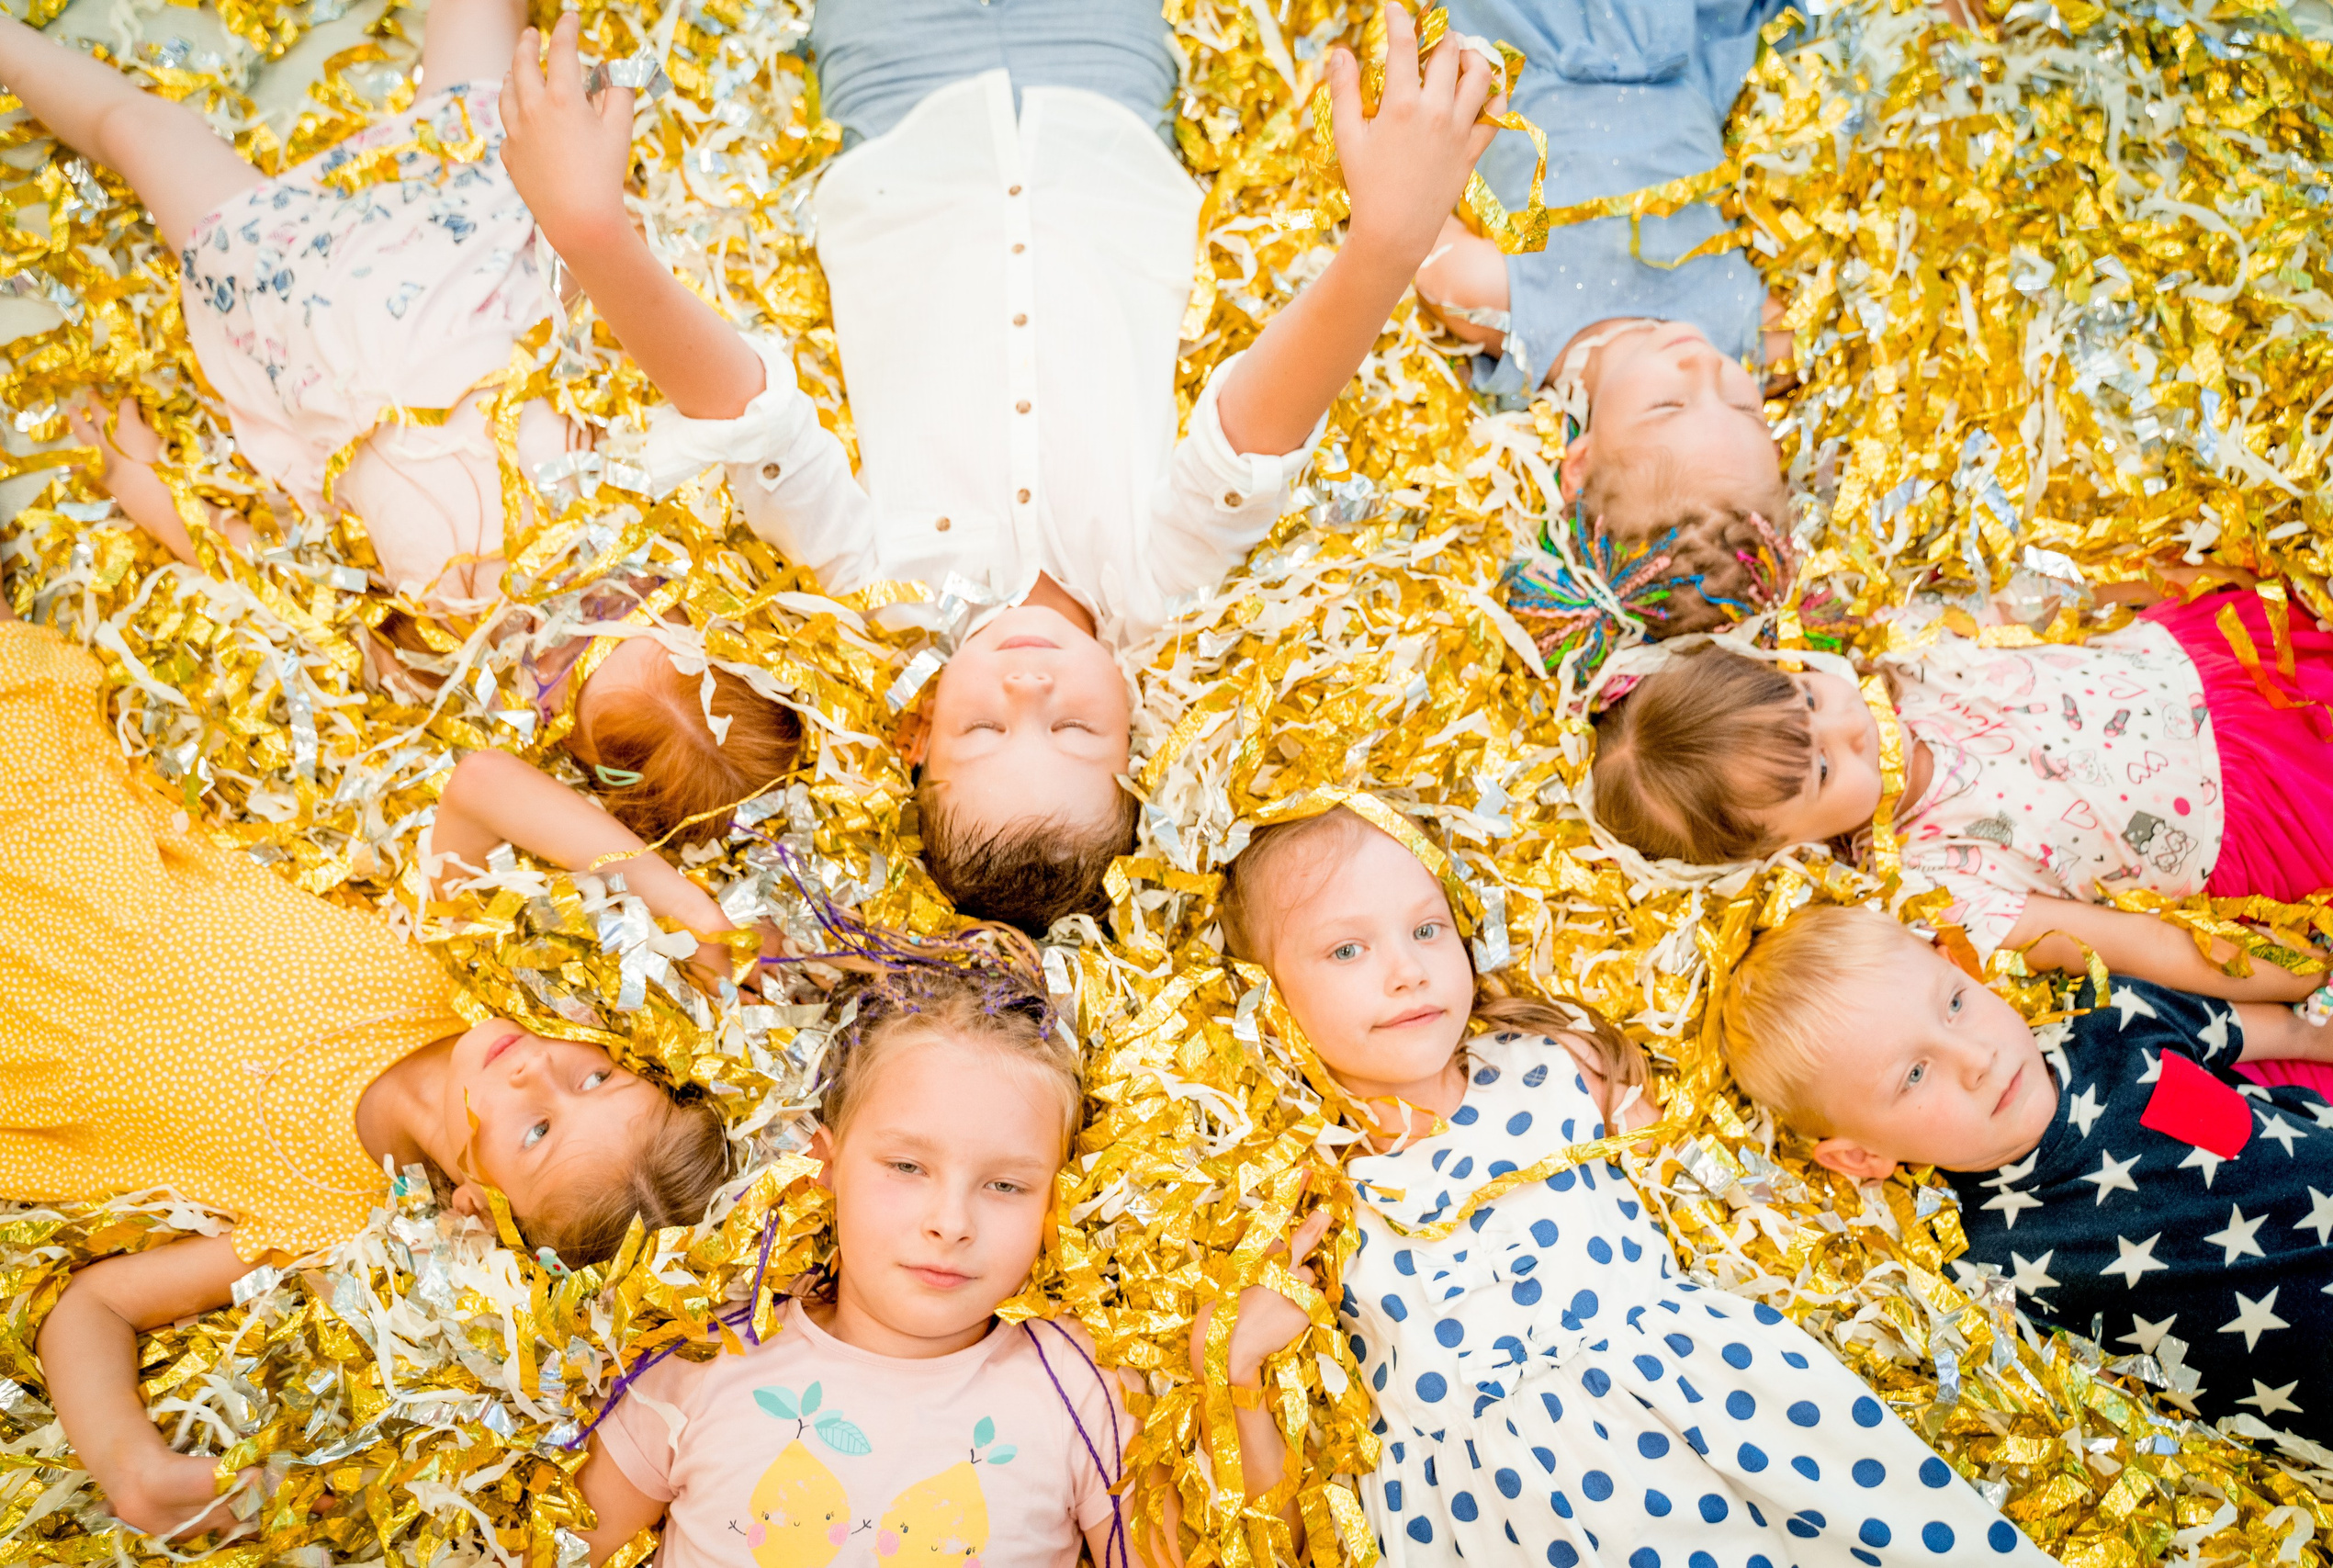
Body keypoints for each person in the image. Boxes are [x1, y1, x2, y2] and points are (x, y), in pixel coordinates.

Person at [496, 0, 1504, 934]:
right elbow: (1250, 441)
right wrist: (1381, 247)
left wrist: (593, 235)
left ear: (919, 737)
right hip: (1101, 97)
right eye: (1071, 731)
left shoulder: (876, 587)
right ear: (1137, 744)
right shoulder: (1157, 587)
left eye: (985, 731)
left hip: (896, 103)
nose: (1028, 686)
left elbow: (753, 419)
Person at [0, 610, 733, 1542]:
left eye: (536, 1133)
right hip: (63, 828)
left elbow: (94, 1306)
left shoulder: (325, 1218)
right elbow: (478, 786)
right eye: (594, 1082)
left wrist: (127, 1462)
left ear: (477, 1206)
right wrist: (682, 901)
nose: (537, 1074)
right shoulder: (440, 975)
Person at [1, 0, 802, 846]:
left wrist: (143, 482)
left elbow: (286, 585)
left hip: (302, 309)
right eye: (621, 607)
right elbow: (631, 351)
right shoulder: (659, 506)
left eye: (565, 668)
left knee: (141, 131)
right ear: (684, 605)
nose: (565, 621)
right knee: (479, 43)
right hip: (468, 246)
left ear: (566, 738)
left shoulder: (445, 662)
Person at [1213, 802, 2052, 1564]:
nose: (1407, 971)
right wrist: (1239, 1366)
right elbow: (1283, 1531)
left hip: (1705, 1411)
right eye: (1348, 949)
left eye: (1428, 930)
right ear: (1266, 995)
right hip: (1497, 1519)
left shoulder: (1554, 1064)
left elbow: (1717, 1177)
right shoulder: (1311, 1191)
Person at [1586, 589, 2333, 1109]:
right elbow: (2141, 943)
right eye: (1823, 770)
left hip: (2237, 682)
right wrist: (2306, 975)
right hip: (2263, 815)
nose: (1850, 728)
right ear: (1784, 849)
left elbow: (2063, 618)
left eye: (1808, 697)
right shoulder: (1940, 879)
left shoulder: (1911, 655)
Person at [569, 961, 1206, 1567]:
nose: (951, 1223)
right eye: (906, 1166)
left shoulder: (1078, 1385)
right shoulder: (704, 1361)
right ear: (825, 1166)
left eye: (1006, 1185)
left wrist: (1242, 1382)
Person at [1421, 0, 1976, 637]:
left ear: (1579, 464)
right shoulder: (1755, 343)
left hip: (1538, 45)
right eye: (1744, 409)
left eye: (1668, 407)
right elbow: (1869, 320)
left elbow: (1419, 238)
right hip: (1681, 57)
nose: (1703, 365)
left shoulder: (1521, 321)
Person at [1719, 902, 2333, 1451]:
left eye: (1955, 1003)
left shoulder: (2115, 1020)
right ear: (1861, 1157)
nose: (1975, 1059)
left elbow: (2303, 1031)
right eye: (1913, 1074)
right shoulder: (1979, 1269)